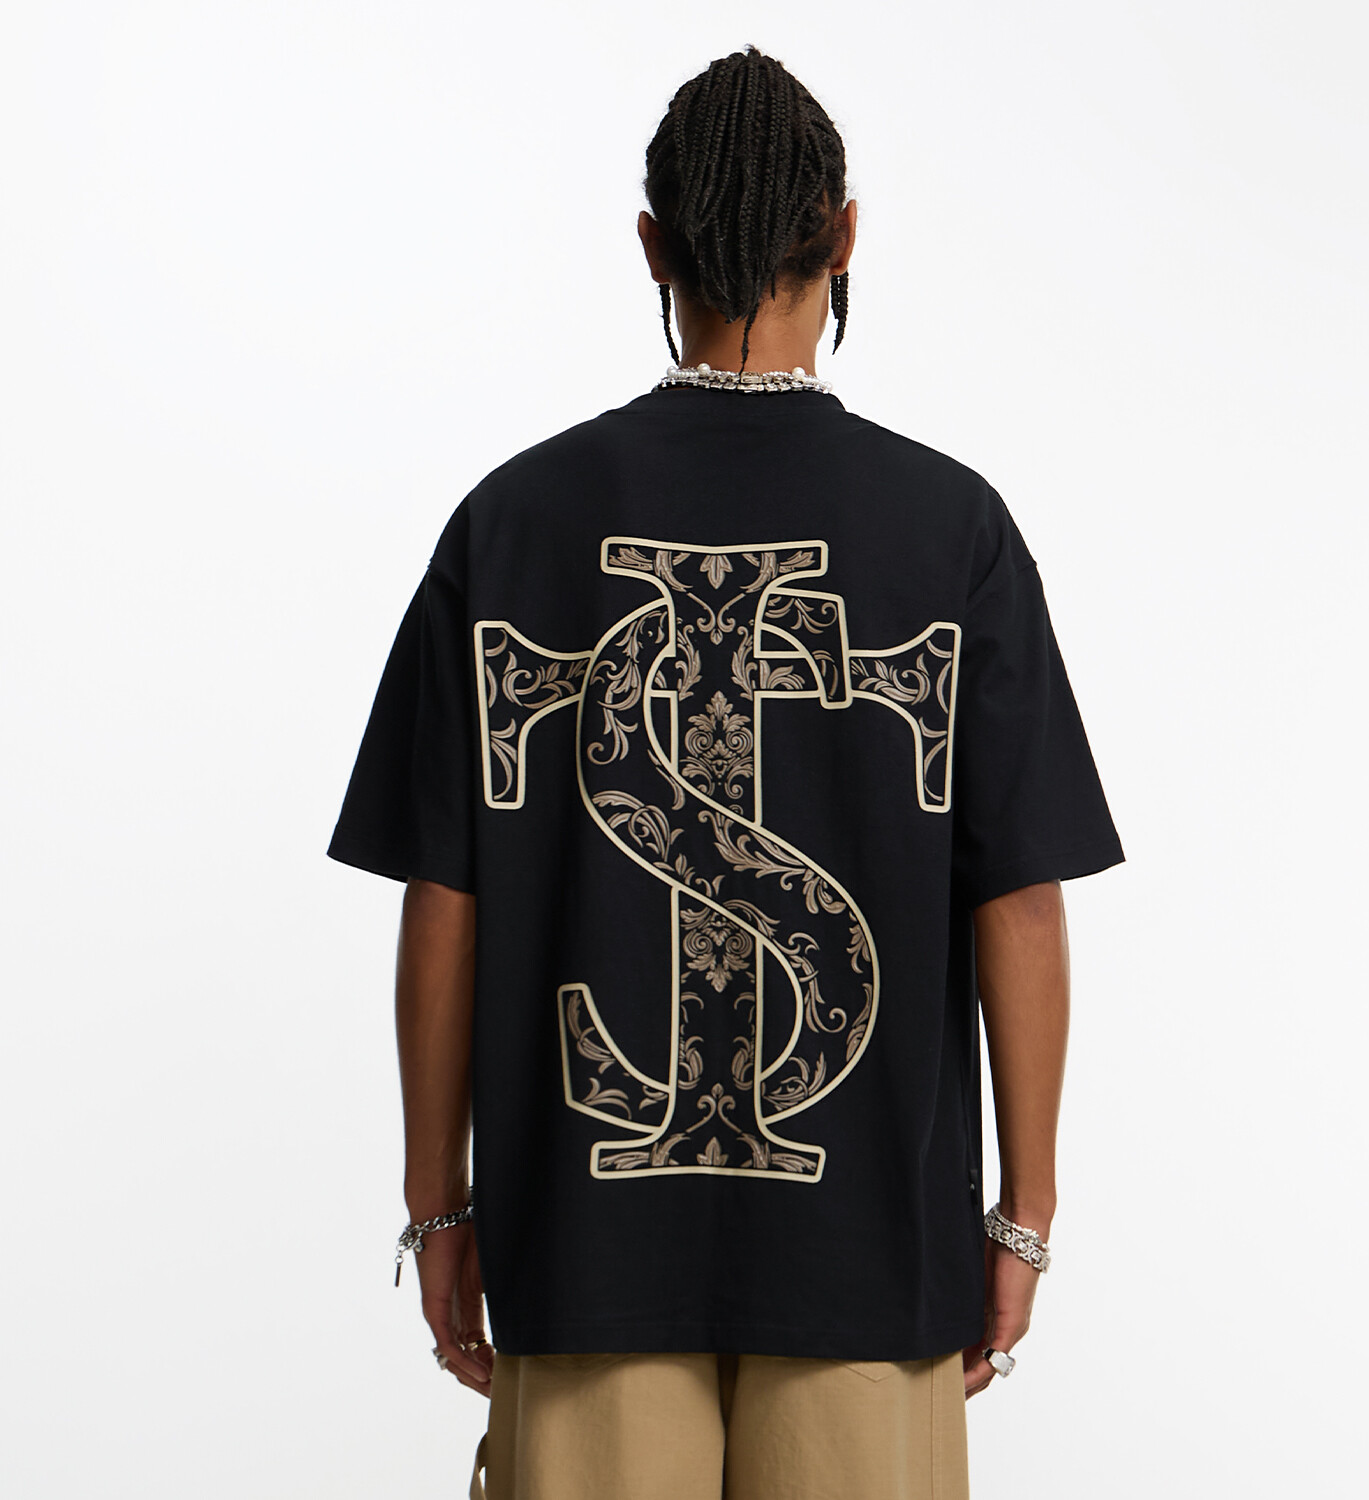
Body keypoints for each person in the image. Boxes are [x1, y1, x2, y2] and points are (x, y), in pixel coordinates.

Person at [327, 43, 1125, 1500]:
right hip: (869, 1252)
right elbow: (1019, 895)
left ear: (651, 245)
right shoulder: (951, 531)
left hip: (588, 1247)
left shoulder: (512, 526)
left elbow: (446, 898)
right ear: (846, 236)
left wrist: (438, 1207)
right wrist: (1024, 1216)